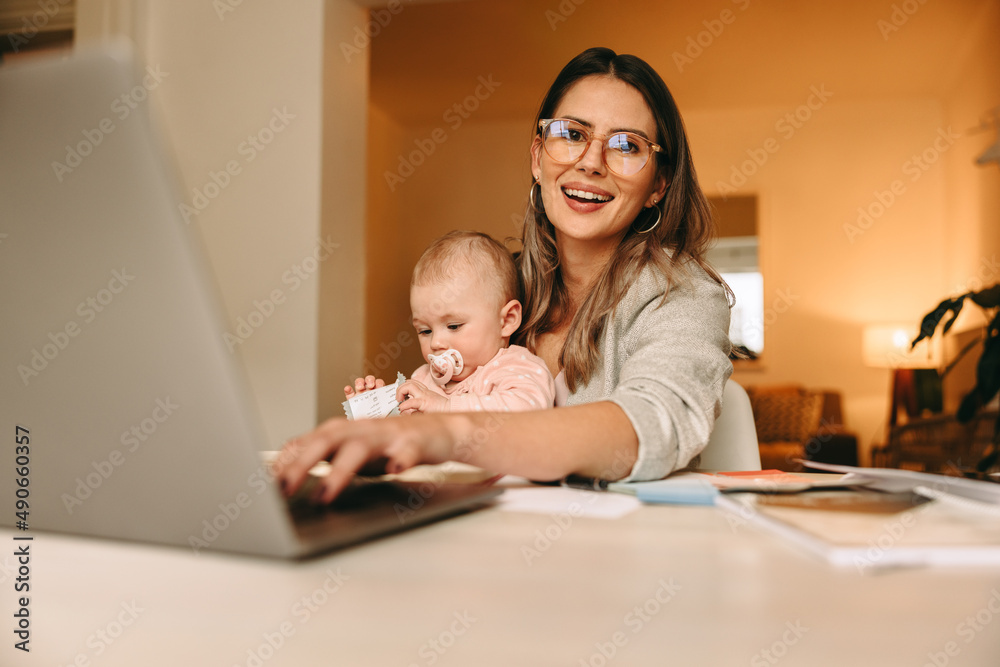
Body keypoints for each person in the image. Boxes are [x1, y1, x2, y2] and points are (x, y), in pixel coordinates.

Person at [275, 47, 733, 502]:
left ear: (658, 184)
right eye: (571, 134)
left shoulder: (686, 297)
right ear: (538, 158)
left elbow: (650, 424)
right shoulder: (495, 288)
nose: (591, 162)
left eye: (626, 145)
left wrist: (445, 431)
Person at [345, 230, 555, 414]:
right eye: (425, 331)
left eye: (453, 326)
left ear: (507, 321)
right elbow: (404, 434)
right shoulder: (423, 379)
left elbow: (528, 411)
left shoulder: (516, 367)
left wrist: (447, 407)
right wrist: (378, 408)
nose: (436, 343)